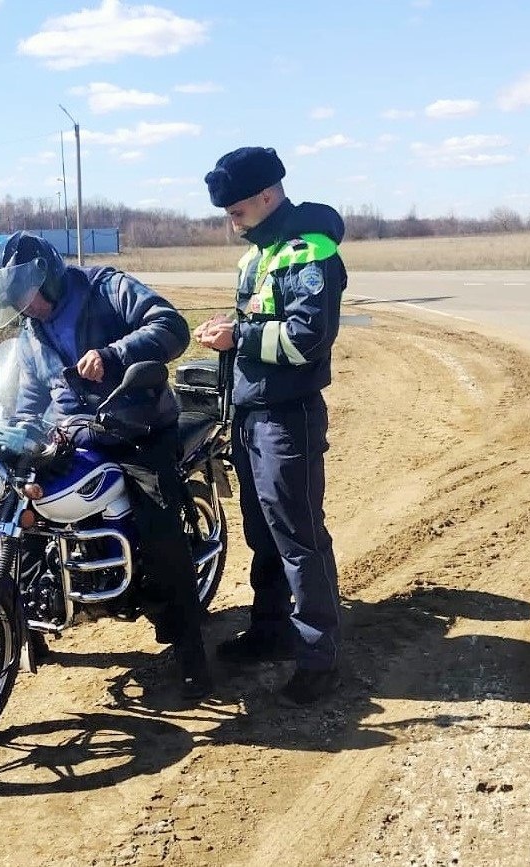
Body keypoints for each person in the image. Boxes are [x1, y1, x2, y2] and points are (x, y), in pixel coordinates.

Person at [0, 231, 213, 701]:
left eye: (28, 297)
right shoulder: (32, 331)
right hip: (75, 432)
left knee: (159, 526)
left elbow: (170, 325)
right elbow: (31, 391)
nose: (26, 309)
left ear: (48, 278)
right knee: (16, 508)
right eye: (17, 303)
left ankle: (192, 656)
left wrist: (115, 354)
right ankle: (22, 625)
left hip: (138, 425)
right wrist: (12, 430)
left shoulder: (106, 288)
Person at [194, 146, 346, 706]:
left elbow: (308, 340)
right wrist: (230, 330)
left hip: (288, 418)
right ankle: (271, 631)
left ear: (267, 194)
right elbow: (259, 318)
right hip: (252, 413)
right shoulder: (258, 253)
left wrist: (240, 338)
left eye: (236, 210)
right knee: (263, 536)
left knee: (299, 539)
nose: (231, 221)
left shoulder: (311, 249)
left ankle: (319, 657)